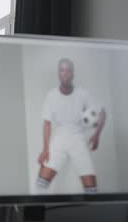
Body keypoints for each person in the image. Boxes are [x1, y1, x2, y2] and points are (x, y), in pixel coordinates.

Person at [36, 58, 106, 195]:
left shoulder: (83, 94)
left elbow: (102, 112)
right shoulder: (51, 96)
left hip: (78, 140)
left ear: (73, 74)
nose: (65, 73)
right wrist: (45, 149)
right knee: (40, 184)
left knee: (92, 190)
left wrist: (97, 135)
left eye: (68, 70)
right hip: (59, 140)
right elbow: (47, 124)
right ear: (58, 73)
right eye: (62, 70)